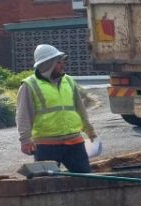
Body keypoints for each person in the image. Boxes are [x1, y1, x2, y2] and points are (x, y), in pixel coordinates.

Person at [16, 44, 98, 173]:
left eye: (62, 62)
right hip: (46, 146)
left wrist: (88, 129)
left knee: (86, 179)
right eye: (58, 63)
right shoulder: (29, 85)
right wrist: (25, 140)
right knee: (46, 185)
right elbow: (23, 115)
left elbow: (79, 108)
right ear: (48, 65)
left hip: (74, 142)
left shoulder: (69, 81)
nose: (62, 66)